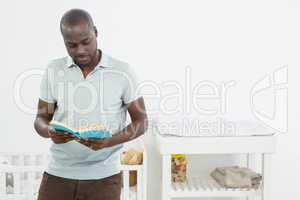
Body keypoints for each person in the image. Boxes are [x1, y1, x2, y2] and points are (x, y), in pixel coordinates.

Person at [34, 8, 148, 200]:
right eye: (71, 45)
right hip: (58, 174)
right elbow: (41, 118)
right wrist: (49, 131)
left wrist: (109, 141)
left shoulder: (123, 72)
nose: (80, 50)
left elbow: (142, 121)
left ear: (95, 32)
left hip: (104, 178)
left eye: (86, 42)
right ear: (64, 42)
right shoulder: (54, 70)